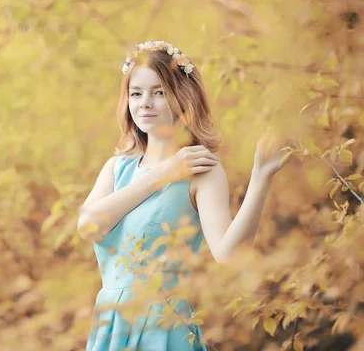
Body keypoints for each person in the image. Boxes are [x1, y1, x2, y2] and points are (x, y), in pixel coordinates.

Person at [78, 40, 293, 350]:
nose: (145, 103)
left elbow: (227, 255)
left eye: (159, 92)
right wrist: (165, 173)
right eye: (136, 93)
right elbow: (88, 226)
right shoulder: (117, 169)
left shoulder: (201, 170)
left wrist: (261, 176)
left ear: (182, 97)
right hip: (110, 328)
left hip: (163, 330)